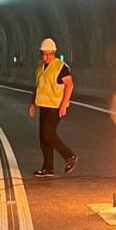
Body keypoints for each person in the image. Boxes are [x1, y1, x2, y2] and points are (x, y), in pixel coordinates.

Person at [27, 38, 77, 178]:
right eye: (44, 54)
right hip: (44, 105)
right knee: (43, 137)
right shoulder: (39, 66)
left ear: (54, 52)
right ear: (41, 53)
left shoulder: (61, 67)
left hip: (56, 106)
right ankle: (48, 168)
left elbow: (70, 85)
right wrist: (33, 103)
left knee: (48, 133)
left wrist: (63, 105)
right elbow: (38, 86)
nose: (47, 57)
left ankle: (69, 156)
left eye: (49, 54)